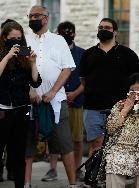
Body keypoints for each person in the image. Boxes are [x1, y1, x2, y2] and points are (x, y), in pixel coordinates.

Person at [26, 5, 77, 188]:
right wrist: (30, 90)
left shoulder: (59, 41)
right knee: (29, 145)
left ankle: (72, 184)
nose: (32, 19)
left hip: (55, 100)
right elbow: (21, 70)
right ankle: (26, 183)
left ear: (46, 18)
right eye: (30, 16)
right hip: (30, 102)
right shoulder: (25, 40)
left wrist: (53, 91)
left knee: (65, 143)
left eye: (36, 16)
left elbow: (67, 68)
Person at [79, 18, 138, 157]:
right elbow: (83, 80)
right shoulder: (87, 54)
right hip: (93, 108)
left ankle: (115, 178)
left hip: (120, 107)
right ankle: (95, 175)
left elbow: (136, 82)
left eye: (107, 27)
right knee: (96, 144)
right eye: (100, 27)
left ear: (115, 32)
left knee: (118, 145)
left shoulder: (128, 54)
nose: (103, 30)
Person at [98, 72, 139, 188]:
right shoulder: (120, 105)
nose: (136, 94)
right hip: (121, 146)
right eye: (132, 91)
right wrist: (125, 110)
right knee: (113, 162)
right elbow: (111, 129)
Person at [0, 21, 41, 188]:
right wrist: (8, 56)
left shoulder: (24, 56)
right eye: (12, 38)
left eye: (19, 38)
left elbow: (36, 82)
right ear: (4, 38)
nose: (16, 41)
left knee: (18, 155)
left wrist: (32, 63)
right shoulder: (3, 54)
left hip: (21, 110)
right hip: (2, 111)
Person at [0, 18, 16, 183]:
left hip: (16, 102)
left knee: (13, 141)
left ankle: (12, 170)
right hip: (1, 102)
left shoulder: (20, 51)